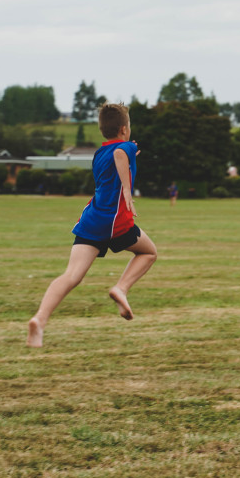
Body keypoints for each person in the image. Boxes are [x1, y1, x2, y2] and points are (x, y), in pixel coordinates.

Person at [27, 103, 158, 348]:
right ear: (124, 129)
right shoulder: (124, 147)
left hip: (91, 220)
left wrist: (130, 157)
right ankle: (121, 288)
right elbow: (120, 156)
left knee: (71, 275)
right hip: (115, 222)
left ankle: (40, 320)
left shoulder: (100, 152)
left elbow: (116, 157)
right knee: (149, 252)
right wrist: (128, 189)